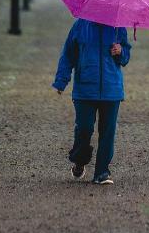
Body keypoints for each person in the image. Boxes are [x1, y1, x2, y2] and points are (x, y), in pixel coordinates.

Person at [52, 18, 132, 185]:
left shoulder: (118, 27)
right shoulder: (80, 25)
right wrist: (61, 80)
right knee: (84, 128)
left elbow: (125, 58)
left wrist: (121, 51)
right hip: (84, 90)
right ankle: (79, 161)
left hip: (112, 90)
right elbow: (68, 55)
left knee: (107, 132)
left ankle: (102, 172)